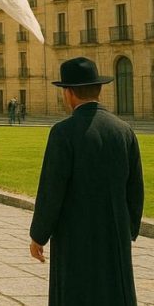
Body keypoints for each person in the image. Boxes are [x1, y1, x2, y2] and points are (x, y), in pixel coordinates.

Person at [29, 57, 144, 306]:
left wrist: (39, 235)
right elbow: (135, 189)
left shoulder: (63, 132)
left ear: (69, 93)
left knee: (75, 292)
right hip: (114, 232)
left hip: (74, 234)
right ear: (99, 89)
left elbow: (52, 189)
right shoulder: (124, 130)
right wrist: (128, 229)